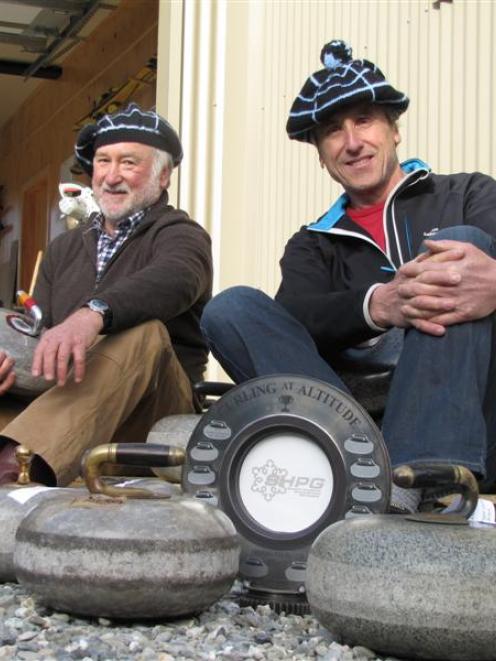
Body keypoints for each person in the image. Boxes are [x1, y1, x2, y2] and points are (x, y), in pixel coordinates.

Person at [201, 40, 496, 513]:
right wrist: (379, 305)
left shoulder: (470, 194)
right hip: (351, 427)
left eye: (363, 120)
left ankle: (429, 481)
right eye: (333, 131)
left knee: (464, 243)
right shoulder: (311, 243)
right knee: (230, 308)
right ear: (321, 155)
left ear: (394, 130)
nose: (352, 141)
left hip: (469, 419)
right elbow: (296, 317)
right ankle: (367, 474)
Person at [0, 103, 212, 486]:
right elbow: (42, 345)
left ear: (163, 176)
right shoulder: (63, 249)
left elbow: (178, 278)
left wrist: (93, 313)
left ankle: (21, 469)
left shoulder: (182, 235)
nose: (111, 176)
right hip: (75, 412)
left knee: (142, 331)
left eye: (128, 163)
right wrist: (10, 369)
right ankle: (19, 463)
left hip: (153, 415)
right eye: (103, 161)